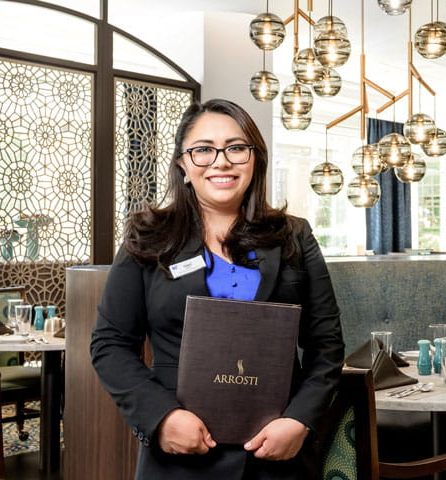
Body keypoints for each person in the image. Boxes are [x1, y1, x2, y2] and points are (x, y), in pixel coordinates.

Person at [91, 98, 344, 479]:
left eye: (235, 148)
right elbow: (110, 344)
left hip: (276, 453)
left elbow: (326, 345)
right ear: (183, 163)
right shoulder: (148, 237)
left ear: (254, 158)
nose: (221, 161)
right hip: (180, 456)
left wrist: (299, 421)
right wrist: (161, 417)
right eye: (203, 149)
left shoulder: (295, 236)